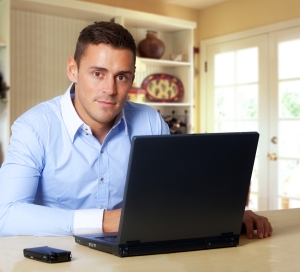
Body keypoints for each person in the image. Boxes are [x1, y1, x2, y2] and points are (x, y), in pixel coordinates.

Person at [0, 21, 272, 239]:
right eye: (98, 73)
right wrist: (106, 221)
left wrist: (224, 213)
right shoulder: (34, 127)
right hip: (57, 260)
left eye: (122, 76)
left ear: (132, 76)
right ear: (73, 69)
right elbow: (6, 215)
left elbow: (174, 193)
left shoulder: (150, 121)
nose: (110, 89)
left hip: (131, 259)